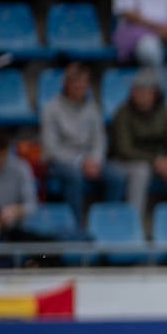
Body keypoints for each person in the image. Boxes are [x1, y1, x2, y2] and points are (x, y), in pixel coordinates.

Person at [107, 67, 167, 224]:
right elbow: (123, 149)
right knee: (140, 171)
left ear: (154, 93)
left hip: (157, 163)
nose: (139, 95)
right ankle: (134, 222)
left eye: (144, 91)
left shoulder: (166, 114)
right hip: (126, 162)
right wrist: (155, 161)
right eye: (136, 90)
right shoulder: (122, 114)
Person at [40, 62, 124, 225]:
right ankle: (76, 226)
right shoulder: (51, 108)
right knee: (74, 177)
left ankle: (105, 224)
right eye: (77, 81)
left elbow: (99, 140)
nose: (81, 86)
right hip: (61, 162)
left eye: (84, 82)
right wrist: (80, 162)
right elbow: (50, 148)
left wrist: (95, 160)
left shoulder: (92, 108)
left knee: (116, 177)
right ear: (67, 84)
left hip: (90, 161)